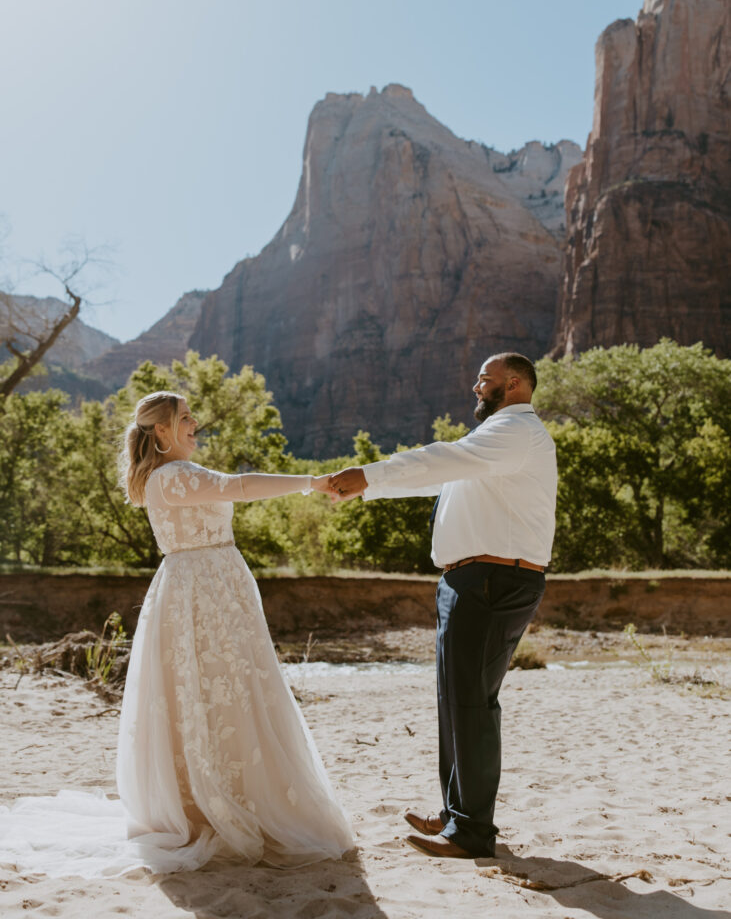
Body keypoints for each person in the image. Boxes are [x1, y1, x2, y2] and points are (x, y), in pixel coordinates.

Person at [0, 391, 353, 876]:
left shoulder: (174, 475)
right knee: (213, 690)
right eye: (185, 418)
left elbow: (233, 487)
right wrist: (312, 482)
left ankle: (233, 794)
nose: (194, 425)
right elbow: (241, 486)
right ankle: (214, 804)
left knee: (225, 691)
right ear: (161, 431)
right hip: (201, 595)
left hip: (213, 589)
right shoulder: (171, 476)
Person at [326, 352, 557, 860]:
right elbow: (439, 477)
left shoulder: (514, 431)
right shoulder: (494, 441)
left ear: (514, 383)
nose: (476, 387)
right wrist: (370, 486)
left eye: (485, 380)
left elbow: (441, 459)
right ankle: (457, 814)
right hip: (472, 581)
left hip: (494, 580)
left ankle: (473, 832)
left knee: (471, 703)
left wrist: (368, 473)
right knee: (455, 699)